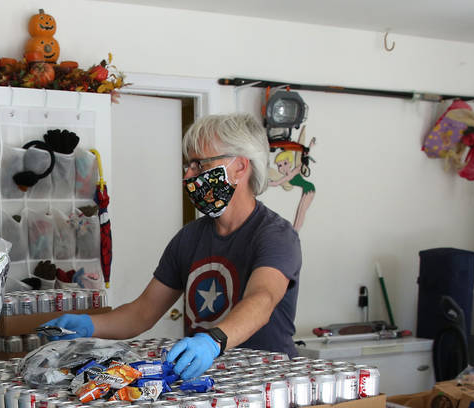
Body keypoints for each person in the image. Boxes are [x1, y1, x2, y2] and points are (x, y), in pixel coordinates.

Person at [48, 112, 302, 378]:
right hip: (210, 384)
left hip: (268, 383)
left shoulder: (275, 235)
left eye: (199, 165)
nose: (189, 176)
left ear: (240, 166)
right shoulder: (189, 238)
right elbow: (142, 312)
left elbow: (262, 299)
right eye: (188, 166)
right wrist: (88, 325)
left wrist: (212, 341)